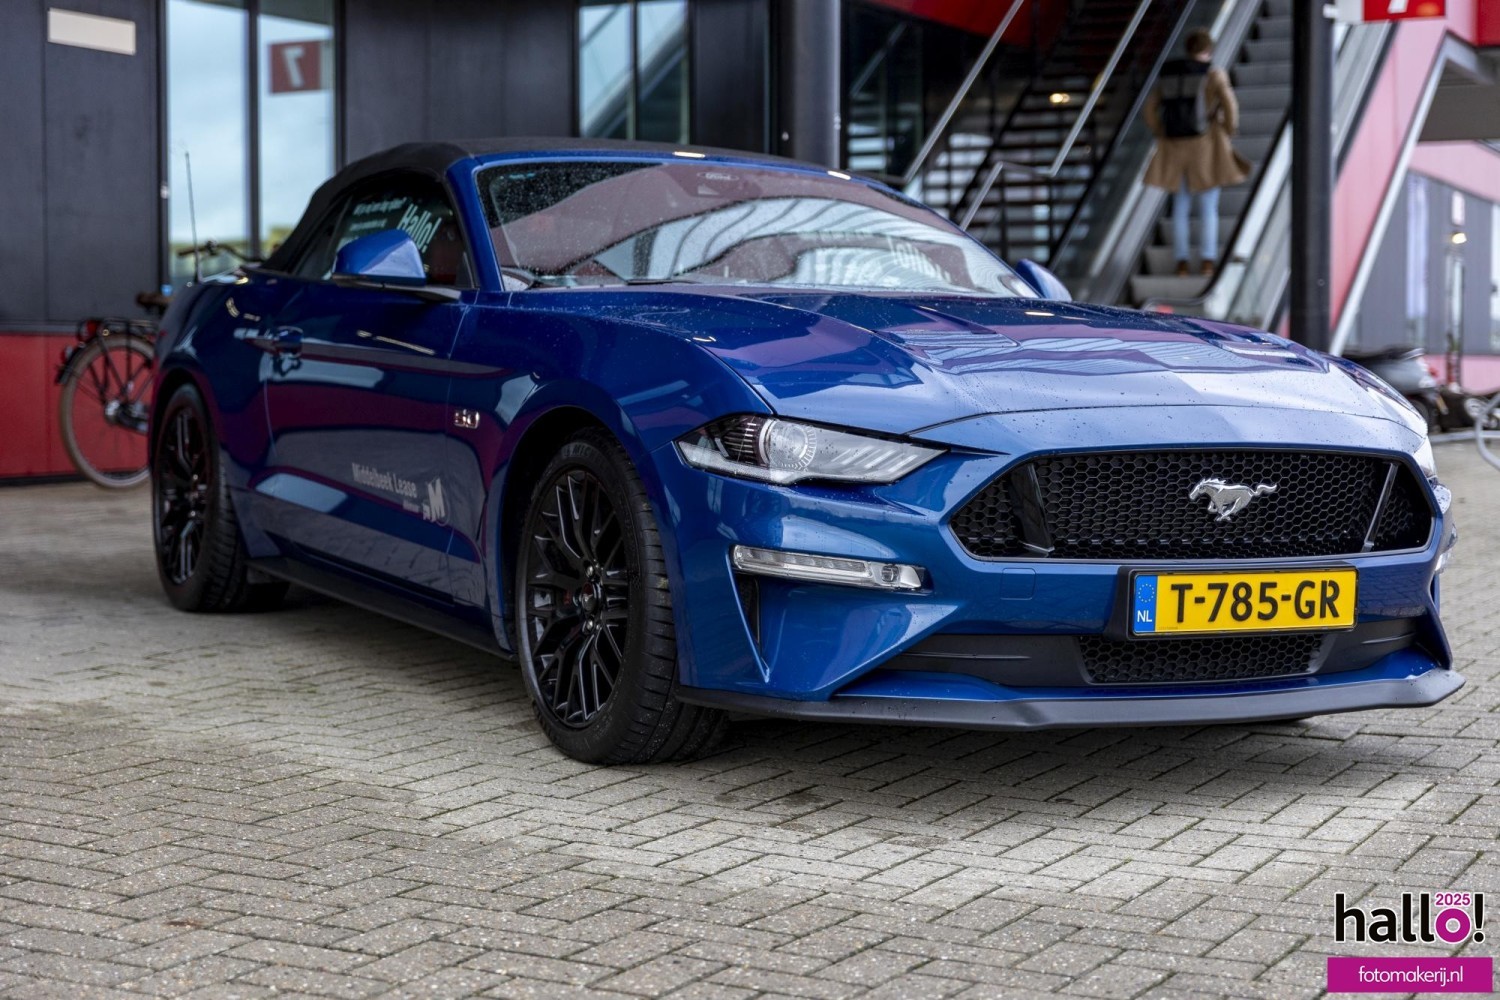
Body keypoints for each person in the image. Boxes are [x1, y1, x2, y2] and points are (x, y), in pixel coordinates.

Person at [1144, 28, 1249, 277]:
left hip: (1174, 148)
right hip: (1206, 148)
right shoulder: (1213, 74)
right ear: (1208, 50)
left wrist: (1160, 130)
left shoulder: (1170, 74)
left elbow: (1149, 109)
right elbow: (1230, 105)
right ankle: (1207, 262)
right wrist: (1228, 129)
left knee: (1180, 208)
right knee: (1208, 209)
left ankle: (1181, 263)